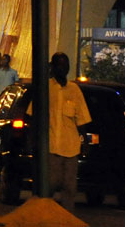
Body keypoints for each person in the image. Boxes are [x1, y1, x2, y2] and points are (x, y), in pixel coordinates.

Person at [38, 52, 92, 212]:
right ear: (53, 68)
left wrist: (85, 143)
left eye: (65, 64)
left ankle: (66, 218)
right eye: (59, 64)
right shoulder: (46, 89)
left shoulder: (74, 90)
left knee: (69, 188)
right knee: (49, 186)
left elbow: (81, 119)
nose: (63, 68)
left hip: (71, 148)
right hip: (51, 148)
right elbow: (34, 115)